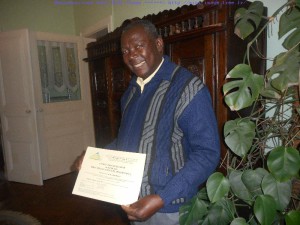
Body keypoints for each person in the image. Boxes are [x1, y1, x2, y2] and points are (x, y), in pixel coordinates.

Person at [77, 19, 220, 225]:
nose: (131, 55)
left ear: (158, 44)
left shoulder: (188, 88)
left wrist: (161, 198)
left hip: (171, 208)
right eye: (125, 50)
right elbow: (126, 141)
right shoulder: (131, 92)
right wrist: (93, 159)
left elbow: (207, 154)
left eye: (138, 46)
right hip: (133, 201)